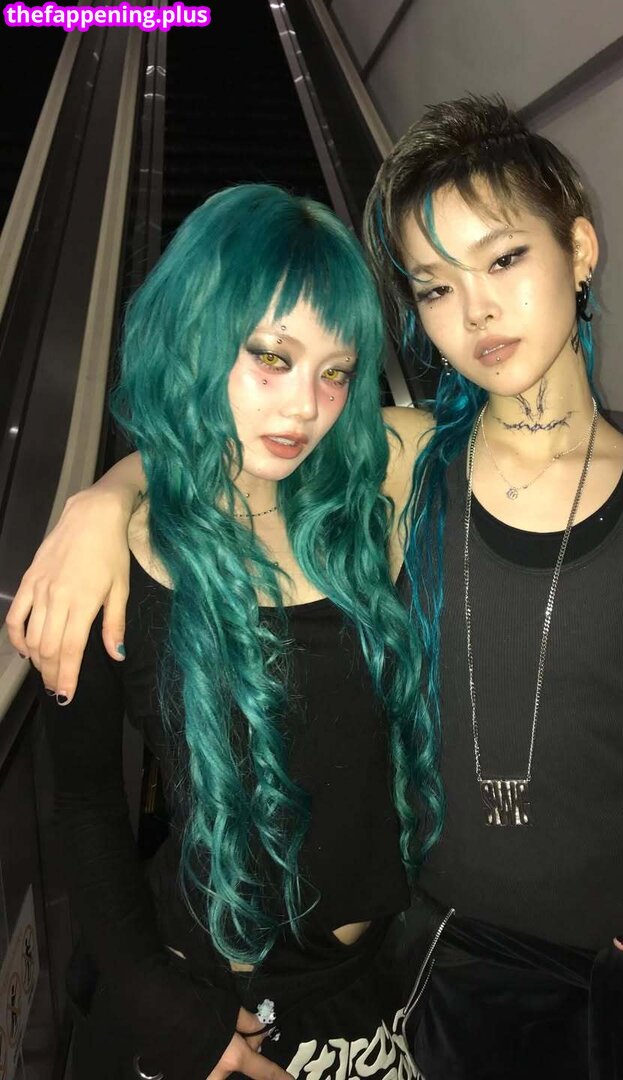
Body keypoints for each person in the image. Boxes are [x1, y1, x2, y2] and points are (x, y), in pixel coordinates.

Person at [8, 99, 623, 1078]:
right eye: (436, 286)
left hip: (621, 948)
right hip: (438, 955)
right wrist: (101, 502)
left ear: (579, 250)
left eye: (503, 259)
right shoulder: (409, 461)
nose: (477, 311)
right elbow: (230, 457)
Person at [22, 184, 443, 1080]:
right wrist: (159, 1002)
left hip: (374, 996)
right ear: (196, 335)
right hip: (222, 998)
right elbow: (86, 801)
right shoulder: (114, 563)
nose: (305, 408)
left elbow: (522, 431)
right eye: (271, 358)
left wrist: (111, 486)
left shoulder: (372, 487)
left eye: (335, 372)